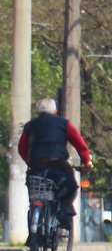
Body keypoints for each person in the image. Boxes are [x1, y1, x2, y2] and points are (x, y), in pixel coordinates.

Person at [17, 97, 93, 234]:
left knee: (35, 194)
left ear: (37, 113)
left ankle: (34, 234)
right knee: (71, 185)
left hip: (36, 166)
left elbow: (22, 148)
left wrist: (30, 162)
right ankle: (64, 210)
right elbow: (78, 142)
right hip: (57, 164)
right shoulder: (64, 123)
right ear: (55, 111)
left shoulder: (29, 125)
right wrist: (86, 160)